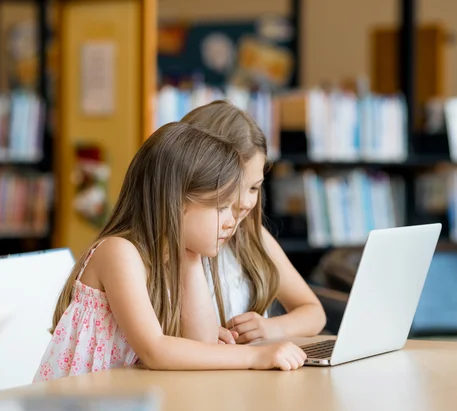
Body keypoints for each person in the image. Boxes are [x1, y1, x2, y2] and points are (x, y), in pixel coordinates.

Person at [34, 122, 306, 382]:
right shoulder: (120, 252)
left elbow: (202, 342)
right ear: (175, 203)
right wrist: (254, 355)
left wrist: (191, 255)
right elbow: (155, 350)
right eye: (221, 207)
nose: (232, 221)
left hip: (128, 402)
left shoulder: (179, 257)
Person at [181, 101, 327, 345]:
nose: (245, 202)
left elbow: (314, 313)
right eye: (233, 189)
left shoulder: (251, 236)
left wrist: (272, 328)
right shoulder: (161, 250)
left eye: (254, 188)